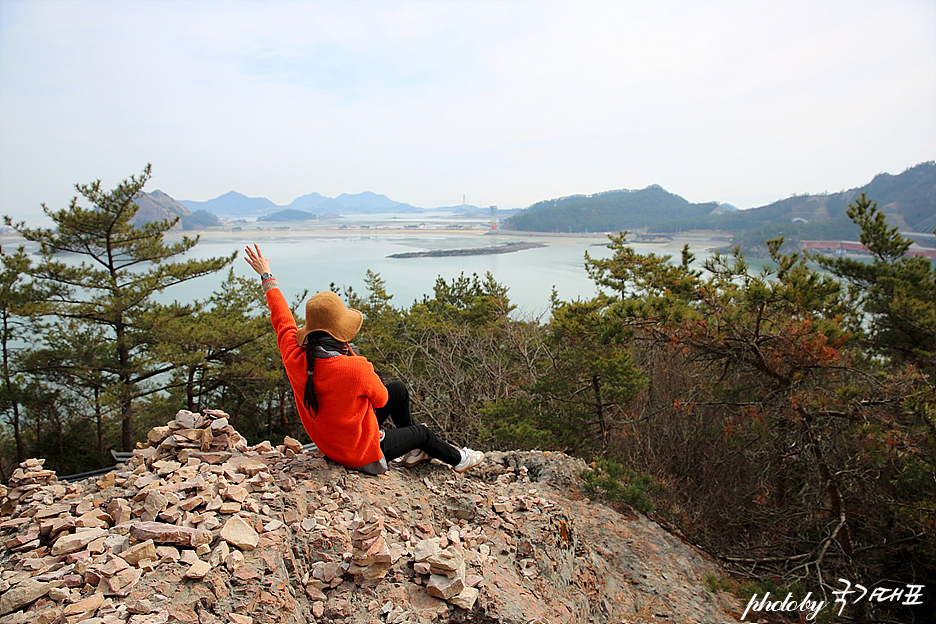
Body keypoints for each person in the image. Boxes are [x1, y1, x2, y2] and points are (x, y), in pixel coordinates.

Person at [244, 244, 484, 476]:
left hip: (331, 442)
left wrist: (267, 276)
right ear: (340, 332)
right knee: (422, 432)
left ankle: (413, 451)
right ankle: (460, 459)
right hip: (360, 453)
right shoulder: (354, 367)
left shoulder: (295, 357)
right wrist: (357, 359)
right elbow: (380, 399)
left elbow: (282, 320)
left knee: (399, 389)